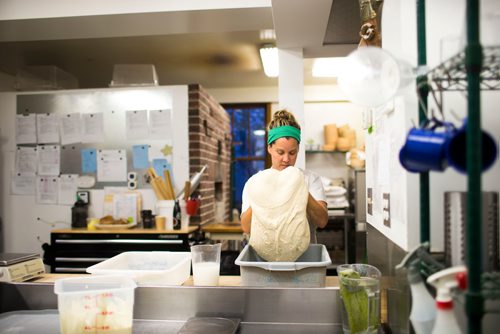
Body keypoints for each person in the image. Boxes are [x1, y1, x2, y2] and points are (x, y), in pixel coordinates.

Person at [240, 109, 328, 243]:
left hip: (305, 257)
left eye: (292, 153)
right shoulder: (255, 182)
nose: (286, 159)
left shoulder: (310, 179)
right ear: (269, 148)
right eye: (280, 152)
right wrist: (263, 196)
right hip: (267, 260)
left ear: (298, 149)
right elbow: (246, 227)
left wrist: (301, 188)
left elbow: (322, 221)